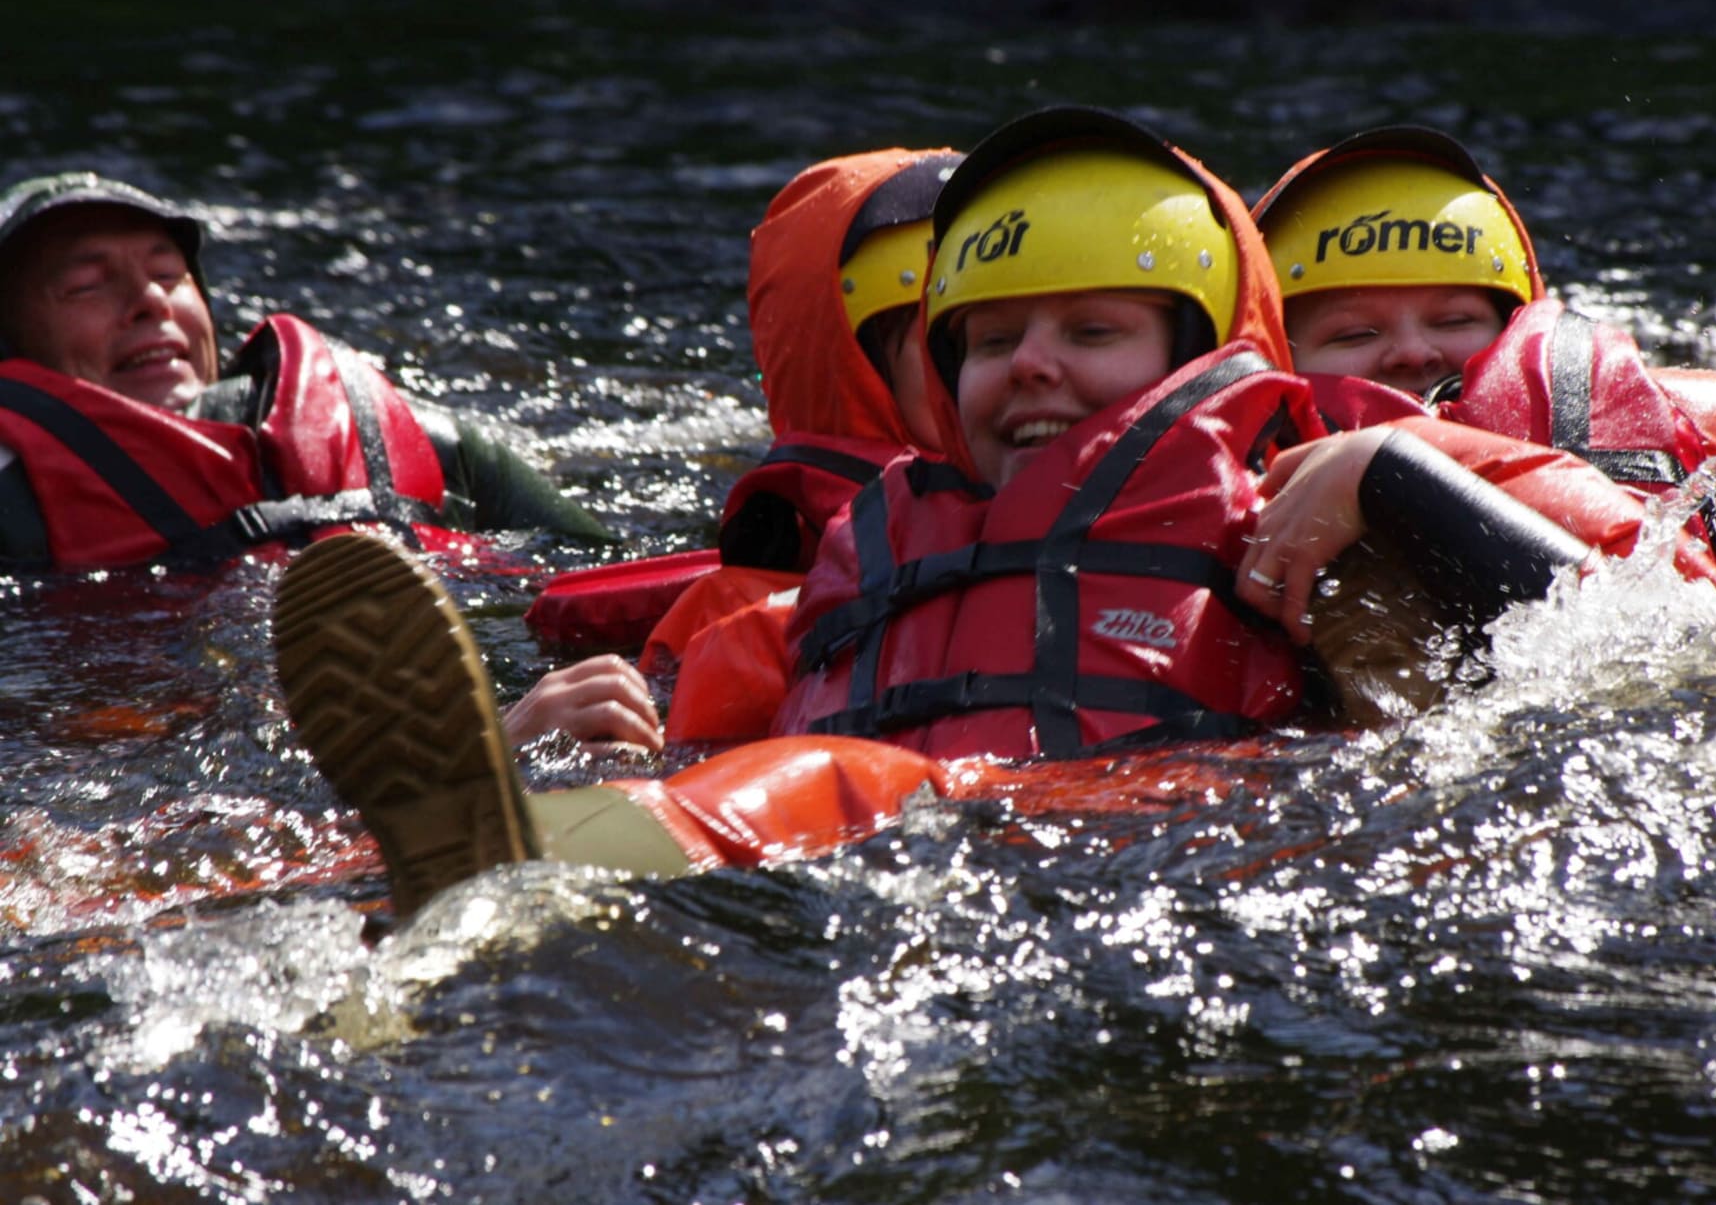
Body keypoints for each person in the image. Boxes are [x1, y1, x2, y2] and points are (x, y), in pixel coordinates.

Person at [273, 108, 1630, 919]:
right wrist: (520, 749)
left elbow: (1649, 640)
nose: (1030, 366)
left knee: (862, 783)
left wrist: (1397, 480)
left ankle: (517, 862)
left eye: (1092, 330)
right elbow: (699, 745)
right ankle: (390, 857)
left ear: (1202, 350)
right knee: (754, 796)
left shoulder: (1331, 494)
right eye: (989, 340)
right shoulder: (839, 576)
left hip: (1192, 850)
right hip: (879, 879)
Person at [1251, 126, 1716, 581]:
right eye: (1354, 334)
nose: (1413, 352)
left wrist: (1402, 461)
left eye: (1454, 320)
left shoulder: (1652, 424)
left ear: (1516, 328)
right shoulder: (1232, 488)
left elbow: (1678, 621)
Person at [519, 147, 964, 746]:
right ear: (857, 372)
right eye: (954, 341)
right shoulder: (737, 626)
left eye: (1075, 330)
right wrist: (515, 744)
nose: (1025, 366)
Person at [0, 171, 616, 569]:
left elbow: (608, 584)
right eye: (86, 286)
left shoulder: (431, 445)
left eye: (168, 274)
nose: (152, 300)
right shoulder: (12, 512)